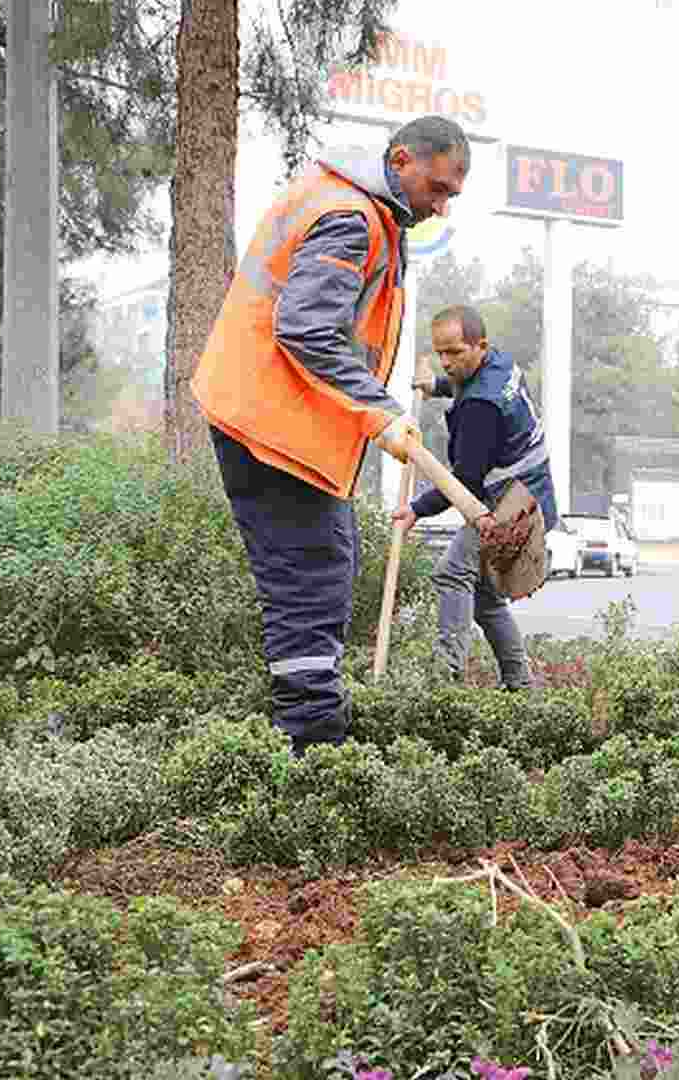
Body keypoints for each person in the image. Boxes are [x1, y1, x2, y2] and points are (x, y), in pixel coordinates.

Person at [191, 116, 470, 754]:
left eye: (451, 195)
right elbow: (307, 331)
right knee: (311, 572)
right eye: (437, 186)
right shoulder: (350, 216)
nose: (440, 204)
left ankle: (314, 727)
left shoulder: (343, 198)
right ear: (401, 161)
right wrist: (378, 413)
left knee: (325, 560)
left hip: (274, 417)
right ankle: (313, 748)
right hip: (273, 424)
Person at [395, 305, 558, 688]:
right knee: (484, 595)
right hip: (535, 493)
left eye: (454, 352)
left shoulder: (479, 409)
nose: (446, 362)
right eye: (440, 353)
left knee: (451, 574)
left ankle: (444, 681)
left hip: (514, 507)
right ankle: (521, 686)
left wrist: (417, 510)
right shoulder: (500, 364)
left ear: (479, 345)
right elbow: (465, 382)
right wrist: (434, 386)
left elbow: (464, 483)